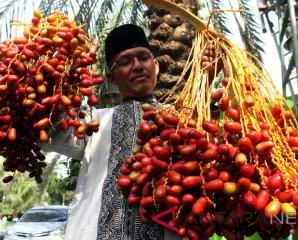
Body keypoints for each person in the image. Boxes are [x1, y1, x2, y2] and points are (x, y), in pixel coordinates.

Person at [39, 24, 217, 240]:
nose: (137, 66)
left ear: (156, 66)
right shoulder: (95, 121)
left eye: (143, 57)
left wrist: (205, 82)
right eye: (125, 62)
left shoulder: (181, 121)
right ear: (111, 77)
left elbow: (207, 160)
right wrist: (67, 73)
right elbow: (48, 131)